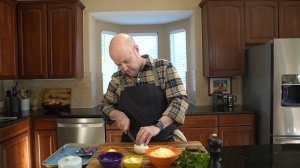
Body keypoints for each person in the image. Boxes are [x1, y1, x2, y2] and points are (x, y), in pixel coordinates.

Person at [101, 33, 189, 145]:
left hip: (166, 141)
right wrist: (118, 115)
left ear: (136, 49)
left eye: (126, 61)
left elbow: (180, 100)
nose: (124, 68)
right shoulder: (117, 79)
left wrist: (157, 126)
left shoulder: (163, 68)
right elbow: (105, 106)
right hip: (132, 144)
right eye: (118, 64)